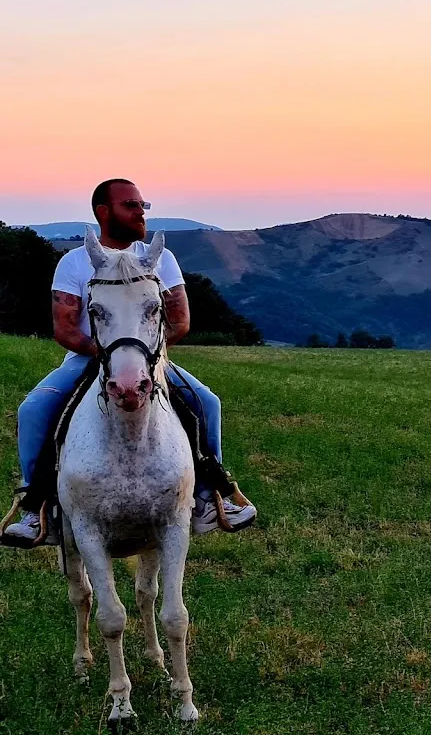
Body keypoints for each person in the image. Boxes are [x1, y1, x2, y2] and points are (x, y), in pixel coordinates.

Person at [2, 179, 256, 547]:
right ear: (104, 212)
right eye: (131, 205)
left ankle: (208, 497)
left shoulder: (159, 258)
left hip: (149, 360)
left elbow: (179, 319)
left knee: (207, 403)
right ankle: (36, 507)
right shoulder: (74, 262)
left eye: (142, 205)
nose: (141, 212)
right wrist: (106, 355)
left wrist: (141, 356)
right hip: (87, 356)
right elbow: (66, 327)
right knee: (34, 409)